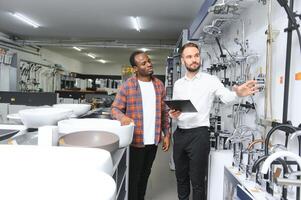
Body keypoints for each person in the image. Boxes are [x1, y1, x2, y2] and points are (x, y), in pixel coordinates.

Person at [169, 42, 258, 200]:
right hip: (180, 134)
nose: (194, 59)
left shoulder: (210, 80)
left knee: (197, 181)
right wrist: (173, 114)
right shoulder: (178, 84)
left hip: (199, 135)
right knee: (180, 178)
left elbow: (226, 97)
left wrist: (238, 94)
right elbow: (178, 109)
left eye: (196, 55)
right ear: (183, 61)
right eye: (189, 57)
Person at [111, 50, 171, 200]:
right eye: (143, 63)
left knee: (145, 175)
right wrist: (123, 117)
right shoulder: (128, 86)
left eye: (149, 61)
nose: (149, 64)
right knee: (134, 178)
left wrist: (167, 134)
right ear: (135, 69)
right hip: (135, 142)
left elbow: (164, 111)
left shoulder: (159, 85)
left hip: (153, 140)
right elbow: (115, 108)